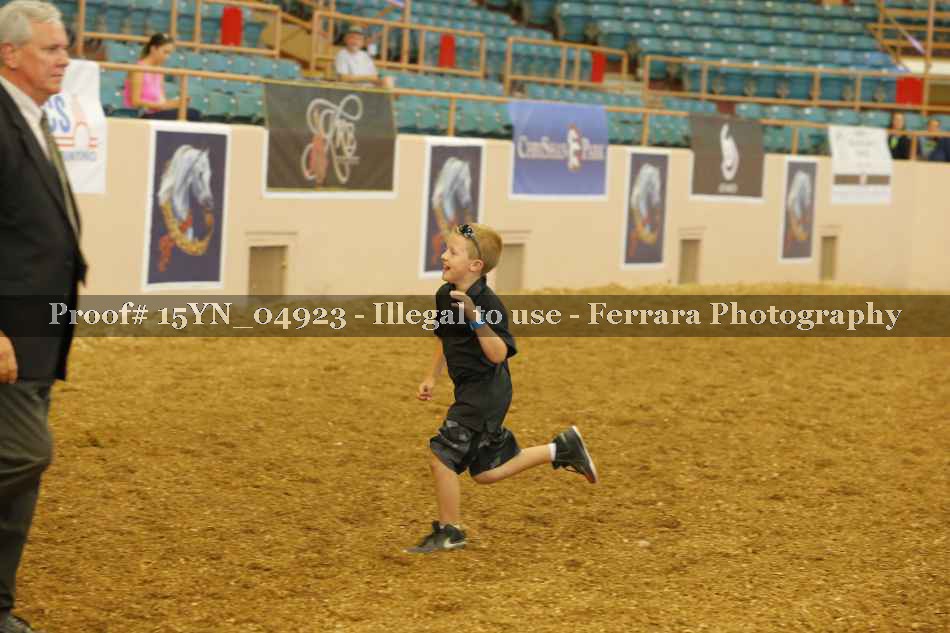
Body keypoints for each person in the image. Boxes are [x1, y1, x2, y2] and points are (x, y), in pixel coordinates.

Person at [408, 223, 598, 554]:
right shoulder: (444, 294)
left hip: (486, 393)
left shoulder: (488, 304)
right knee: (486, 471)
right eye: (446, 250)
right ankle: (561, 449)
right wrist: (431, 376)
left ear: (475, 266)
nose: (443, 256)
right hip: (472, 391)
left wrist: (474, 316)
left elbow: (497, 354)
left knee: (441, 456)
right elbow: (444, 336)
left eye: (452, 252)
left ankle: (450, 531)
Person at [0, 2, 87, 632]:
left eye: (65, 48)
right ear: (10, 53)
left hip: (38, 337)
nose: (65, 59)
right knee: (26, 454)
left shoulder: (31, 116)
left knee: (20, 489)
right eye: (51, 49)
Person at [124, 32, 199, 121]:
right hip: (142, 114)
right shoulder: (138, 69)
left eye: (169, 53)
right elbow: (135, 102)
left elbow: (162, 102)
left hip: (157, 113)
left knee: (194, 113)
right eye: (165, 52)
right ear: (153, 49)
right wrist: (160, 106)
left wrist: (177, 103)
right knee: (192, 114)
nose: (167, 57)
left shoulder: (160, 71)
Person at [333, 24, 394, 89]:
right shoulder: (342, 54)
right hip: (351, 90)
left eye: (359, 39)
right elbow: (343, 78)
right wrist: (368, 78)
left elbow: (374, 77)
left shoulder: (365, 55)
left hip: (368, 88)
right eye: (352, 38)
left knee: (388, 81)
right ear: (346, 39)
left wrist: (382, 80)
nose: (355, 41)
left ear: (362, 42)